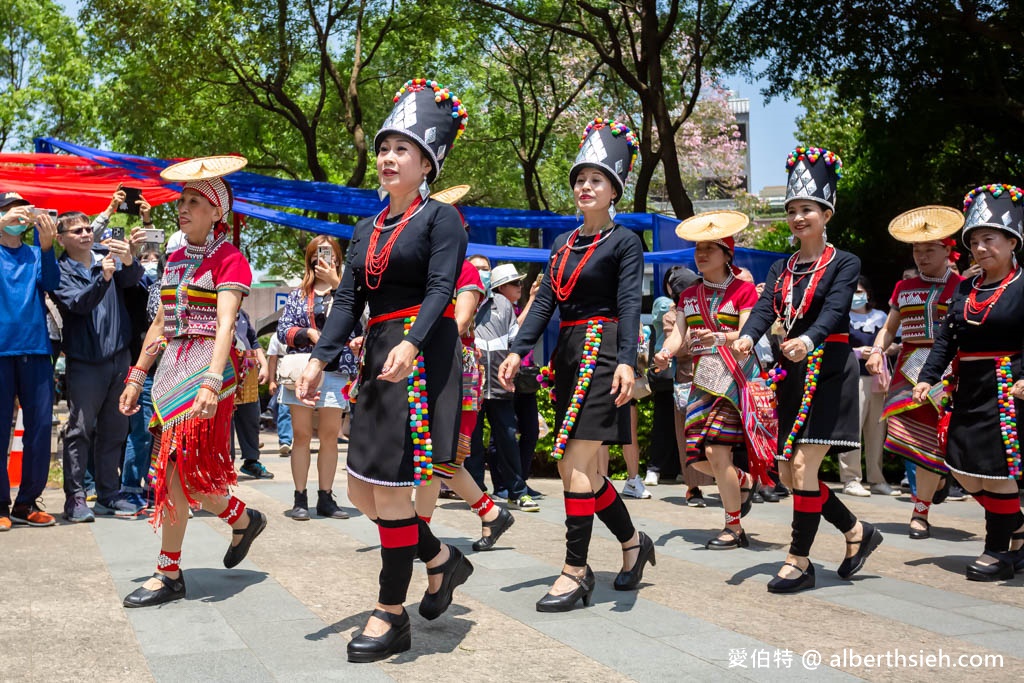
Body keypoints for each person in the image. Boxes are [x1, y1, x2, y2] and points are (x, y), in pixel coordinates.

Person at [297, 77, 472, 663]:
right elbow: (347, 299)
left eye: (402, 149)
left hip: (418, 356)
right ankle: (442, 560)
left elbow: (443, 287)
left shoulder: (441, 220)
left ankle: (390, 613)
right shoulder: (367, 227)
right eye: (384, 147)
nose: (388, 157)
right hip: (377, 355)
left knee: (395, 492)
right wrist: (321, 358)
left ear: (427, 164)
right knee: (363, 492)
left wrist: (414, 342)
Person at [500, 118, 652, 611]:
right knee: (586, 469)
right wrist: (517, 350)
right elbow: (544, 304)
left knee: (571, 463)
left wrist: (627, 361)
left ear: (614, 191)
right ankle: (633, 546)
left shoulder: (626, 242)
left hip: (603, 351)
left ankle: (574, 571)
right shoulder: (562, 245)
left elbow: (630, 304)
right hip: (567, 355)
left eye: (597, 180)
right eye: (580, 179)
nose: (586, 187)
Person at [735, 146, 882, 593]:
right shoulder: (781, 267)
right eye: (792, 210)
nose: (799, 217)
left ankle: (798, 561)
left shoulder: (845, 262)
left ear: (826, 213)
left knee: (802, 467)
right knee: (789, 474)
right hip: (791, 375)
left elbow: (837, 310)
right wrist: (746, 337)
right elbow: (763, 309)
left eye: (807, 209)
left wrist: (807, 338)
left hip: (830, 368)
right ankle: (856, 530)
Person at [119, 164, 267, 607]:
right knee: (183, 480)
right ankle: (242, 520)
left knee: (181, 476)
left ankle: (168, 572)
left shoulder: (230, 259)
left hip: (210, 369)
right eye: (181, 201)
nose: (182, 208)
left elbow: (226, 327)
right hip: (170, 370)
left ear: (215, 212)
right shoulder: (177, 257)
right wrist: (137, 375)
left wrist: (208, 381)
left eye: (193, 202)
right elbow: (162, 322)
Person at [914, 184, 1024, 581]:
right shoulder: (964, 289)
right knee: (960, 466)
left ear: (1012, 241)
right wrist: (927, 378)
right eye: (975, 241)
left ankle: (998, 551)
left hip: (1007, 389)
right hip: (968, 387)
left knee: (996, 472)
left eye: (989, 239)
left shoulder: (1022, 287)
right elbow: (946, 339)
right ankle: (1017, 525)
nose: (980, 248)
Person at [412, 192, 515, 551]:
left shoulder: (466, 270)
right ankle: (487, 513)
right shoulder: (424, 270)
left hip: (455, 368)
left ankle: (422, 533)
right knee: (429, 456)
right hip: (424, 366)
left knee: (442, 455)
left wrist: (414, 340)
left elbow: (459, 321)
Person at [656, 213, 762, 549]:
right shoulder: (688, 295)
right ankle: (745, 480)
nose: (701, 254)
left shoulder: (743, 291)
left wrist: (719, 337)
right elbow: (679, 337)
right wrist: (665, 352)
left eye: (709, 248)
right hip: (703, 380)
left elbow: (747, 334)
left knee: (717, 450)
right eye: (698, 248)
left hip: (734, 378)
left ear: (727, 253)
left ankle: (733, 527)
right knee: (697, 458)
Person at [867, 206, 965, 539]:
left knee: (935, 444)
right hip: (907, 369)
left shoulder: (964, 287)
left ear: (948, 250)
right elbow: (890, 328)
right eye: (916, 249)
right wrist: (879, 350)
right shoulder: (903, 287)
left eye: (928, 249)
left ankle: (921, 510)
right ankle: (934, 481)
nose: (921, 256)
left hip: (946, 370)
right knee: (908, 438)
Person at [54, 191, 147, 521]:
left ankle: (109, 494)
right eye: (76, 231)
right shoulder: (60, 269)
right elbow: (77, 304)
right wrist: (102, 276)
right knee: (79, 430)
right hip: (84, 362)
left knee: (115, 429)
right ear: (62, 238)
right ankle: (75, 497)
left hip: (119, 359)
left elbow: (134, 281)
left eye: (87, 228)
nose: (85, 233)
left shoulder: (105, 256)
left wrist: (128, 260)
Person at [278, 236, 351, 520]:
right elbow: (284, 330)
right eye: (319, 253)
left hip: (335, 371)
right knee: (301, 435)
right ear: (310, 258)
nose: (325, 258)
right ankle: (300, 497)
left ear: (338, 258)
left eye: (330, 253)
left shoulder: (347, 292)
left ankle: (326, 496)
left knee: (331, 435)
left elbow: (361, 323)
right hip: (303, 369)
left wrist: (337, 284)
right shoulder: (298, 294)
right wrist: (306, 333)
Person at [0, 192, 60, 530]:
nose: (17, 216)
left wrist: (49, 246)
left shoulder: (37, 254)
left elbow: (52, 283)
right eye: (9, 210)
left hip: (35, 350)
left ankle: (26, 502)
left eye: (22, 210)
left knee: (39, 429)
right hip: (1, 350)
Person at [473, 264, 538, 511]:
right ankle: (476, 492)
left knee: (508, 437)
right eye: (477, 268)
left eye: (485, 268)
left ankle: (517, 491)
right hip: (472, 385)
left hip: (501, 384)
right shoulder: (460, 300)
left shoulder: (502, 304)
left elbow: (515, 339)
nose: (481, 273)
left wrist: (514, 364)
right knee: (472, 441)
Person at [839, 276, 896, 497]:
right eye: (852, 292)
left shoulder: (881, 317)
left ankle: (877, 478)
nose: (856, 296)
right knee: (852, 428)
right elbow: (835, 348)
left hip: (878, 378)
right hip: (852, 377)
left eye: (859, 291)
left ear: (868, 293)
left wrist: (886, 350)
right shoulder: (842, 318)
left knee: (877, 430)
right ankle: (850, 478)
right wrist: (857, 352)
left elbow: (892, 341)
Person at [493, 264, 543, 497]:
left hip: (525, 377)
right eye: (515, 283)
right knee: (504, 432)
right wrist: (533, 299)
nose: (520, 287)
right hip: (504, 377)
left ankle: (519, 480)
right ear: (501, 287)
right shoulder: (494, 308)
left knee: (530, 431)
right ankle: (503, 483)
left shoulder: (516, 307)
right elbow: (518, 330)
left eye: (520, 282)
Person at [232, 308, 272, 479]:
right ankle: (225, 463)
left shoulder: (243, 314)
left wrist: (264, 366)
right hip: (227, 368)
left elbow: (253, 342)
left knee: (251, 417)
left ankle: (251, 461)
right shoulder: (214, 309)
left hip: (247, 370)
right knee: (224, 422)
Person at [265, 334, 293, 455]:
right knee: (285, 408)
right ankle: (285, 441)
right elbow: (272, 359)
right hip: (284, 377)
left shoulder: (309, 331)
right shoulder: (277, 336)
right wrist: (272, 381)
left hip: (304, 376)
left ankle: (300, 441)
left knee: (302, 410)